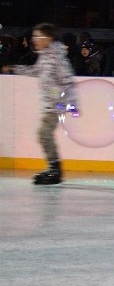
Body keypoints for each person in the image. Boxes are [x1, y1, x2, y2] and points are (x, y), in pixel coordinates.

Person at [1, 23, 76, 185]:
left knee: (43, 135)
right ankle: (54, 169)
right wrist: (14, 69)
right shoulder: (46, 55)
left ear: (48, 38)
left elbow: (67, 80)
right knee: (44, 135)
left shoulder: (57, 56)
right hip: (50, 104)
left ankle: (55, 170)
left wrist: (70, 104)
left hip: (57, 105)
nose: (34, 40)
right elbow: (36, 71)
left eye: (37, 36)